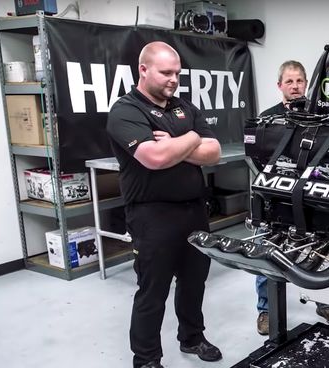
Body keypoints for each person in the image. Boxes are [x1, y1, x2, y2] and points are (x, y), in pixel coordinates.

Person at [107, 41, 223, 368]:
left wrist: (176, 144)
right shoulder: (126, 111)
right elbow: (155, 158)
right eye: (166, 72)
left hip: (194, 210)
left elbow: (214, 152)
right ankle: (146, 359)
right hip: (151, 214)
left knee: (194, 281)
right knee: (152, 290)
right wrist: (191, 139)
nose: (173, 79)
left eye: (177, 73)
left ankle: (192, 338)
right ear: (143, 69)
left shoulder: (183, 107)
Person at [255, 60, 329, 336]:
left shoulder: (321, 115)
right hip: (277, 194)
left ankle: (324, 302)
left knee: (319, 249)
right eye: (289, 81)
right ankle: (266, 310)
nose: (295, 86)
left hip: (312, 194)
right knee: (268, 249)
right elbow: (258, 156)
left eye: (300, 81)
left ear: (307, 84)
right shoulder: (267, 119)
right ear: (279, 85)